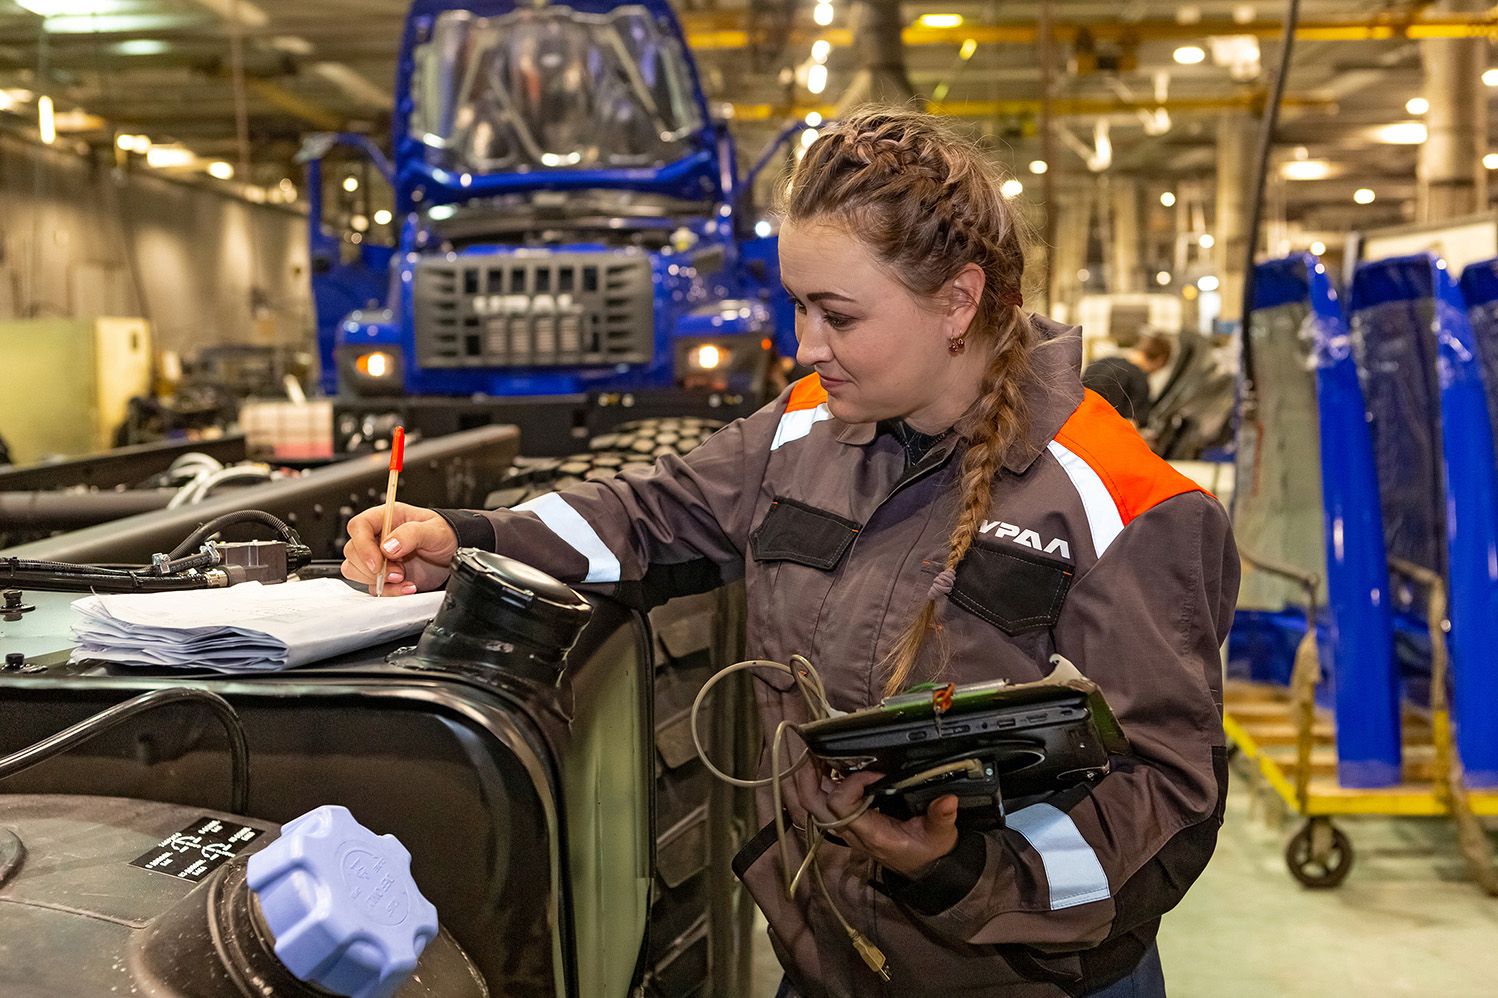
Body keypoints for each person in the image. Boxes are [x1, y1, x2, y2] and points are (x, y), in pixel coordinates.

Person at [341, 108, 1238, 998]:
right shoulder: (806, 426)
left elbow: (1166, 799)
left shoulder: (1124, 505)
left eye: (839, 315)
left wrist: (961, 870)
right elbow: (651, 513)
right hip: (827, 960)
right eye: (798, 306)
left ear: (958, 301)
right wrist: (468, 542)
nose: (807, 346)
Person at [1081, 333, 1172, 425]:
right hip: (1105, 434)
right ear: (1159, 361)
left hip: (1077, 429)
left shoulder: (1100, 362)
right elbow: (1132, 424)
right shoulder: (1139, 380)